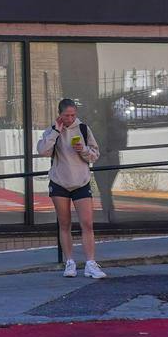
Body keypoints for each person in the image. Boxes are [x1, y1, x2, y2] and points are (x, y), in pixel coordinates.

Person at [37, 98, 106, 279]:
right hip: (59, 182)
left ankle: (90, 264)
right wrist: (56, 132)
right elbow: (43, 151)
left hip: (81, 182)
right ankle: (70, 262)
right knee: (65, 223)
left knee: (87, 223)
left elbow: (95, 155)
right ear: (59, 114)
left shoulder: (83, 128)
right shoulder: (52, 130)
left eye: (73, 115)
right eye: (66, 115)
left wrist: (83, 149)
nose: (70, 118)